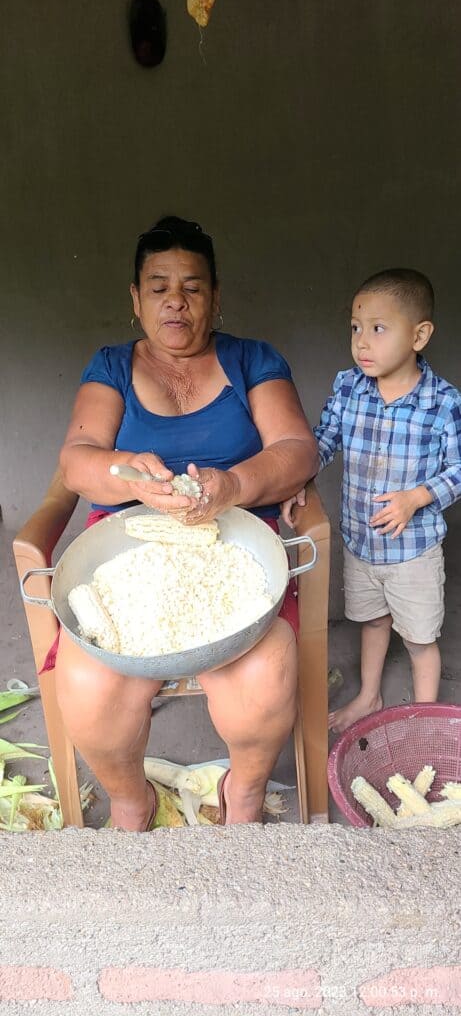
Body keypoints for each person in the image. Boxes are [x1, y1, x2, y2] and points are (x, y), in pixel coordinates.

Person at [57, 215, 319, 829]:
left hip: (235, 551)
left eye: (193, 287)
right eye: (158, 287)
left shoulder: (253, 360)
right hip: (131, 560)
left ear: (215, 296)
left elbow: (296, 449)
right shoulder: (111, 366)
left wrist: (233, 487)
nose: (175, 301)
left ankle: (243, 795)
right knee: (90, 685)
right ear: (136, 299)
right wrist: (127, 475)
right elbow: (76, 459)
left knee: (261, 676)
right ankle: (132, 799)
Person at [283, 268, 461, 733]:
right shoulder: (349, 387)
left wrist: (416, 498)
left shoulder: (442, 403)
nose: (362, 341)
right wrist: (300, 477)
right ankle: (369, 696)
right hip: (361, 543)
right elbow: (324, 439)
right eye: (356, 328)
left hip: (414, 552)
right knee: (373, 623)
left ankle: (422, 718)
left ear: (419, 335)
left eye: (378, 328)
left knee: (420, 639)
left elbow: (458, 469)